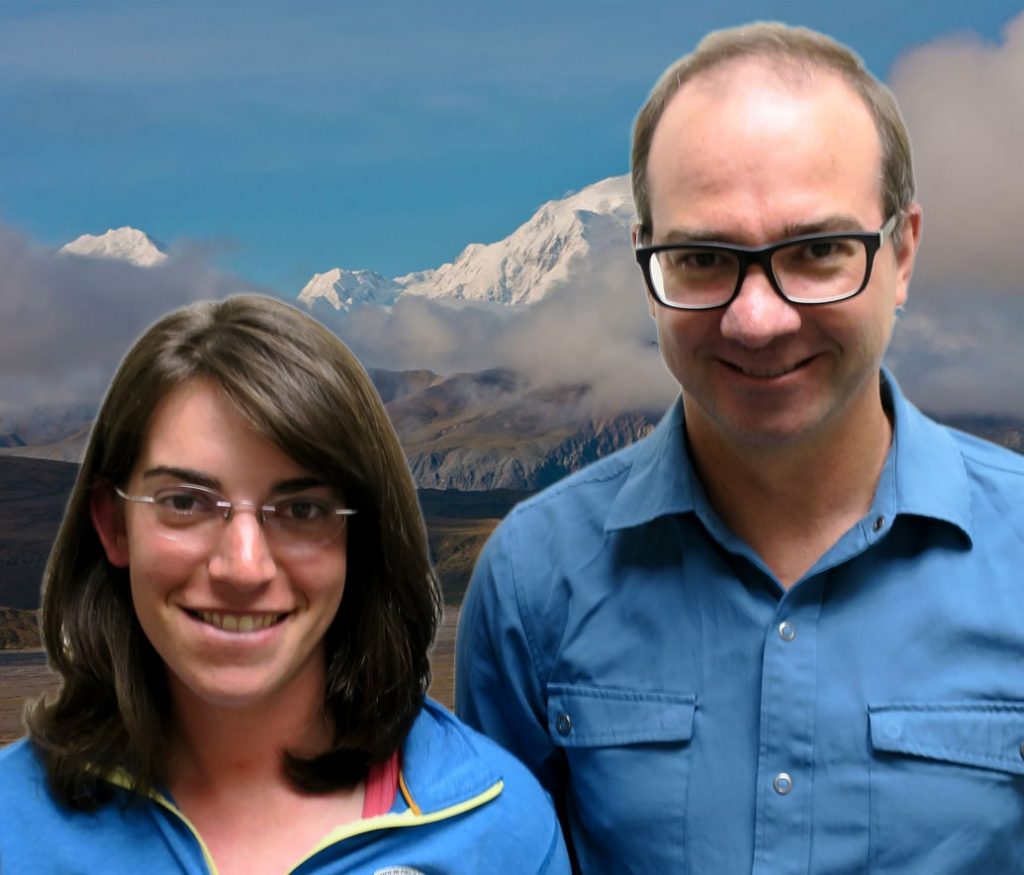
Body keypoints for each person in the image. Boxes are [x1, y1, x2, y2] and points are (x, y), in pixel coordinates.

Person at [456, 22, 1024, 874]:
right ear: (646, 264)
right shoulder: (533, 578)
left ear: (903, 253)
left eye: (820, 250)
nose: (757, 319)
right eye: (700, 259)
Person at [0, 295, 569, 874]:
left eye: (300, 510)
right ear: (114, 524)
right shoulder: (7, 825)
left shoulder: (497, 828)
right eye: (185, 503)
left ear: (361, 538)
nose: (244, 568)